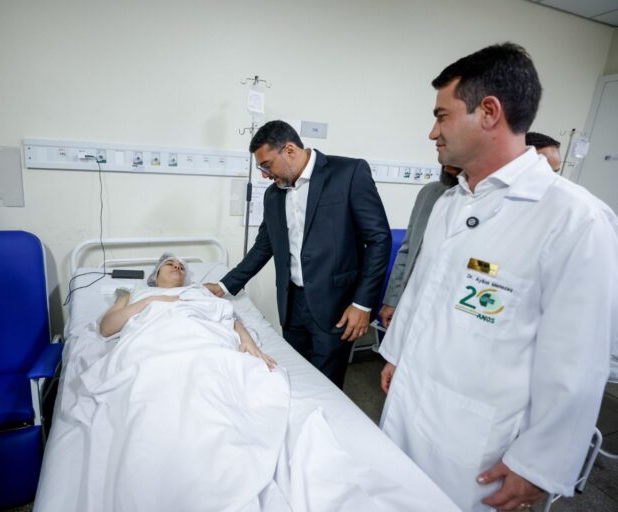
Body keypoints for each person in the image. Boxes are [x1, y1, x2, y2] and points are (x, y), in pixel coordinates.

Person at [378, 42, 618, 512]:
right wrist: (397, 354)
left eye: (442, 116)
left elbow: (577, 362)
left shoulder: (574, 219)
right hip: (410, 405)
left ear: (488, 112)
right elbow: (422, 291)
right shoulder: (451, 203)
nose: (432, 132)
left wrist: (540, 464)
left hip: (480, 442)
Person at [204, 120, 391, 388]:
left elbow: (378, 239)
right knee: (294, 378)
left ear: (289, 150)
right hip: (292, 303)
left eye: (267, 165)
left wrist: (362, 304)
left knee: (326, 385)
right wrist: (224, 285)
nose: (265, 175)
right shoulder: (273, 195)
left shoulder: (348, 173)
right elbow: (263, 246)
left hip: (336, 305)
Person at [100, 253, 275, 369]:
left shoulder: (197, 290)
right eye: (170, 264)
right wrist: (150, 300)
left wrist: (247, 340)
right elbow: (106, 328)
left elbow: (228, 315)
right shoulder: (137, 294)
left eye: (181, 267)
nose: (177, 267)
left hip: (203, 340)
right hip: (152, 343)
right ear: (155, 274)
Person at [378, 166, 459, 329]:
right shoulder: (430, 192)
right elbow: (407, 249)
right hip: (411, 303)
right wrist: (391, 301)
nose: (444, 163)